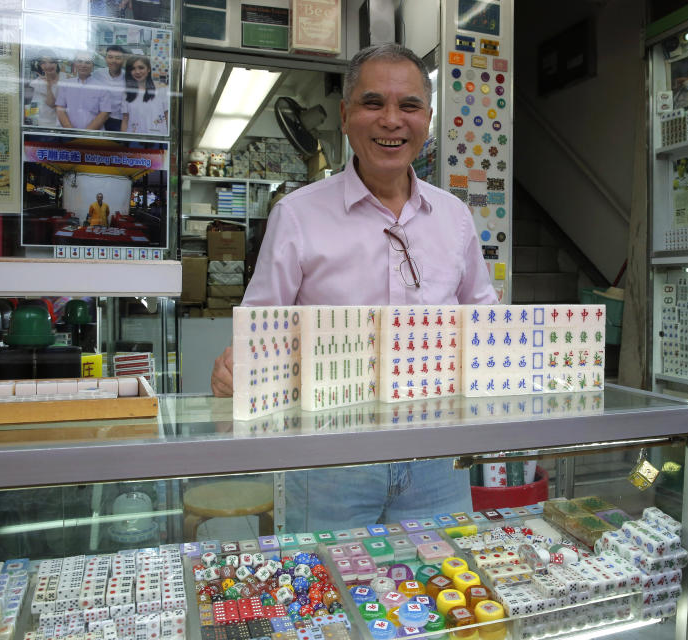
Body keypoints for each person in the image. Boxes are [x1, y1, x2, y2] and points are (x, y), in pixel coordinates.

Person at [210, 44, 496, 531]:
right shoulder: (297, 215)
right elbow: (258, 330)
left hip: (437, 457)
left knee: (443, 588)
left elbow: (484, 319)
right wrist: (237, 367)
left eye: (408, 106)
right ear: (345, 116)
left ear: (427, 118)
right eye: (372, 104)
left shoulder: (455, 217)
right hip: (329, 461)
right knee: (328, 595)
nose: (391, 120)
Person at [56, 53, 112, 130]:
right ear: (75, 64)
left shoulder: (102, 87)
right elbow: (60, 108)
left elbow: (105, 113)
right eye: (80, 61)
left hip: (93, 135)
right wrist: (70, 131)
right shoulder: (66, 84)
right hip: (68, 133)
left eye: (87, 62)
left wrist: (86, 133)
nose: (83, 65)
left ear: (93, 66)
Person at [120, 55, 169, 135]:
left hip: (157, 139)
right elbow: (125, 119)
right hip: (134, 140)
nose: (137, 72)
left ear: (148, 69)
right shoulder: (127, 93)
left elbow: (167, 117)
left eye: (141, 68)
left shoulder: (162, 89)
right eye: (133, 69)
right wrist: (123, 141)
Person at [94, 45, 127, 132]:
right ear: (105, 59)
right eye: (110, 57)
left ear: (123, 60)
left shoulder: (128, 77)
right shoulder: (97, 74)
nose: (113, 61)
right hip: (97, 117)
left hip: (118, 120)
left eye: (118, 58)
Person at [28, 54, 65, 128]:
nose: (48, 65)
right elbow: (34, 109)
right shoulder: (37, 83)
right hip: (44, 125)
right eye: (43, 63)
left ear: (56, 63)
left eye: (51, 62)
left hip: (63, 124)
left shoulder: (65, 78)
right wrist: (34, 124)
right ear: (40, 66)